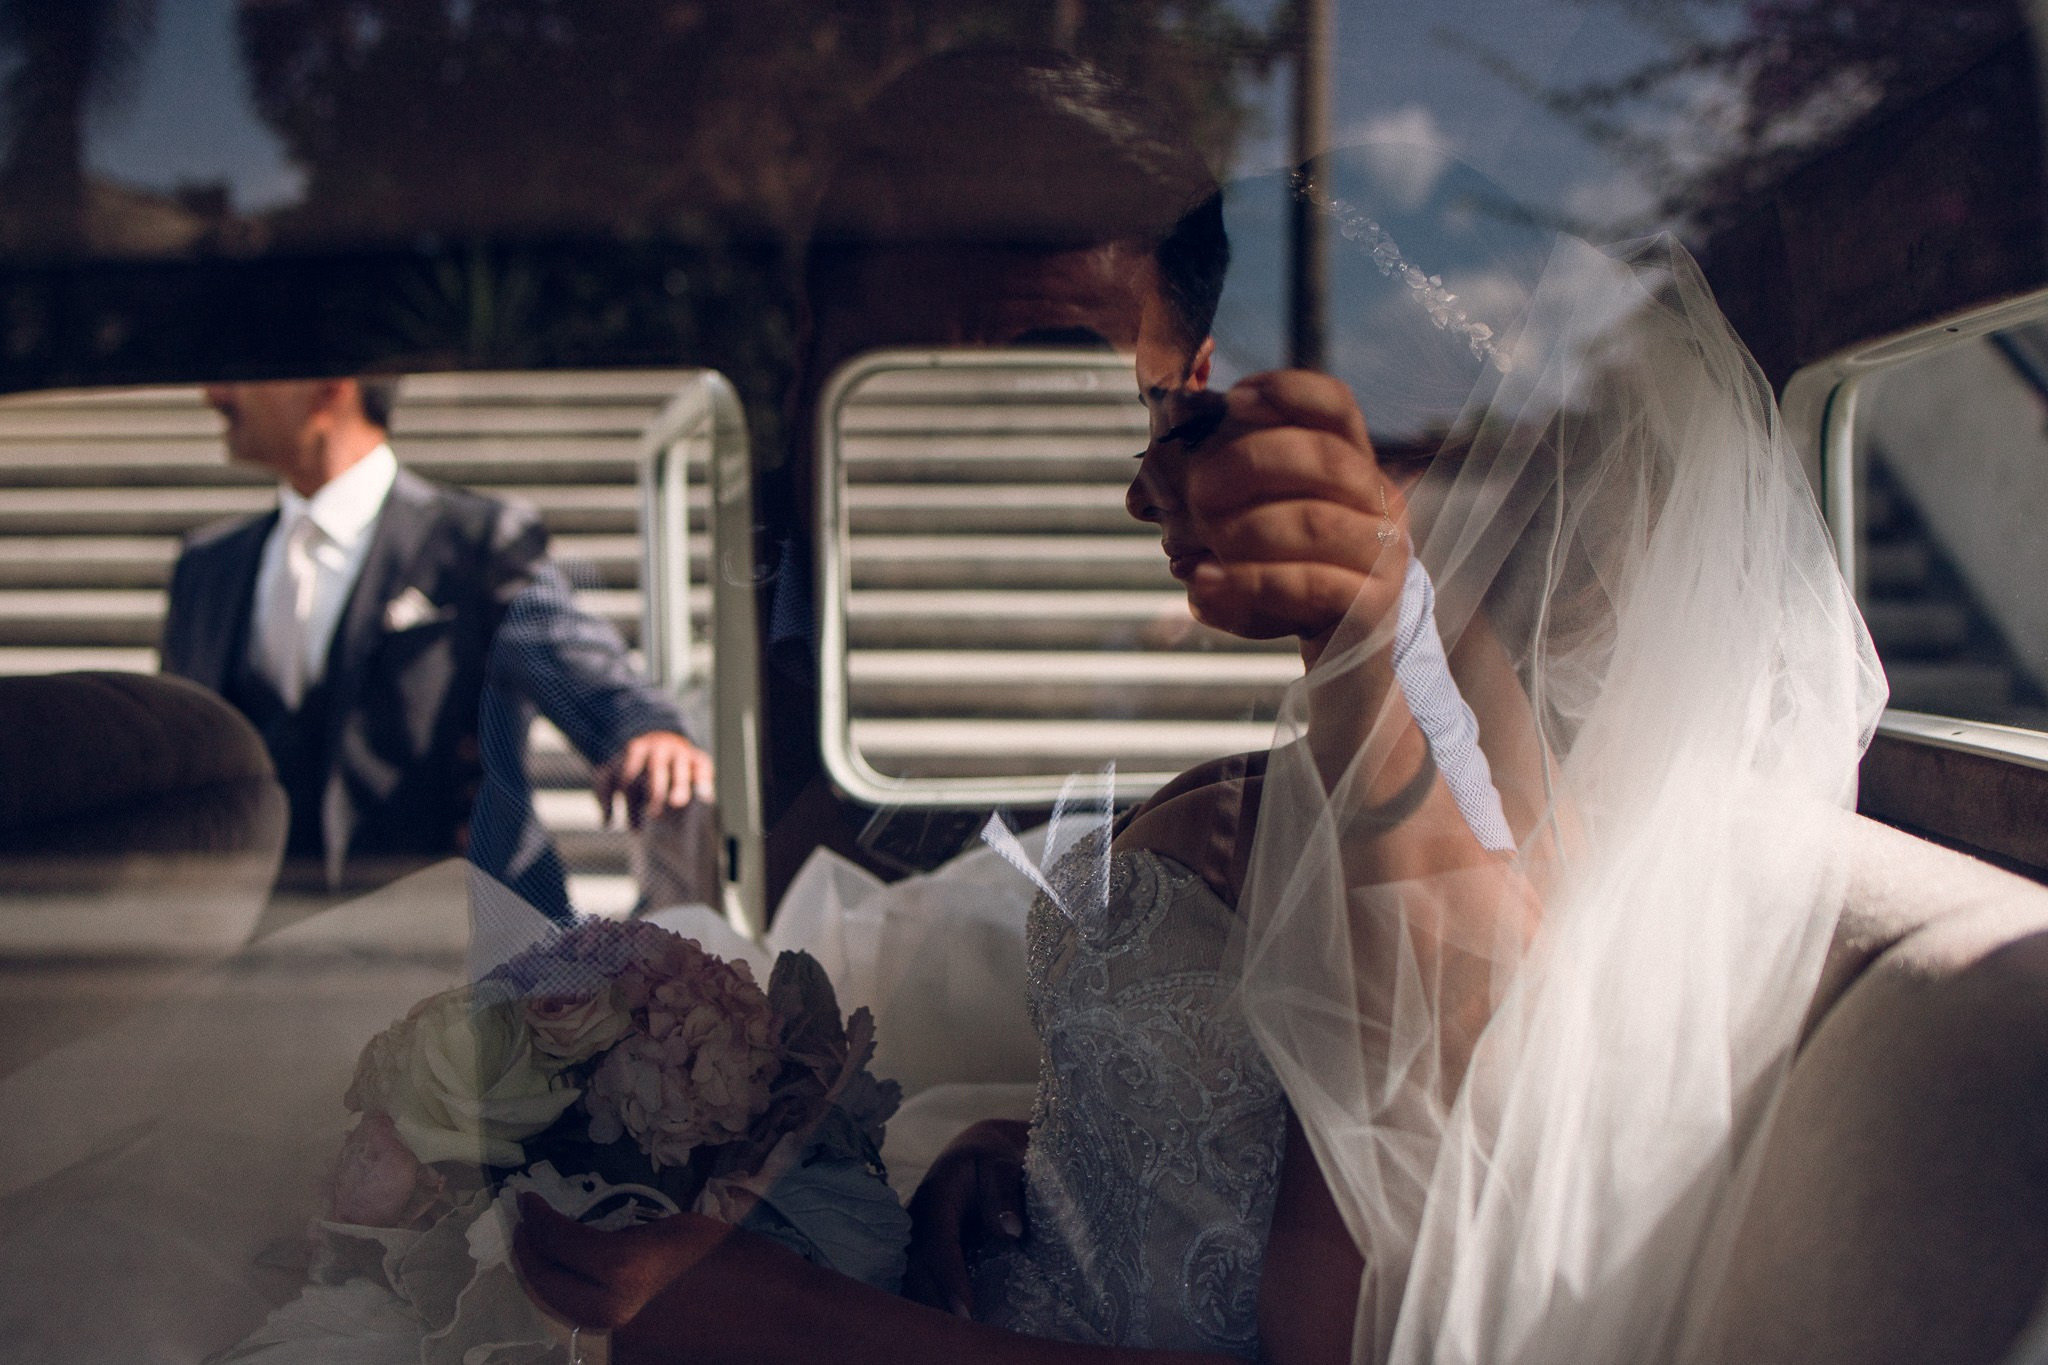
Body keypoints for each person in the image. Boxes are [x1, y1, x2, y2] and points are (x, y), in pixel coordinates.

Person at [512, 47, 1883, 1365]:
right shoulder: (1370, 749)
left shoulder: (1453, 839)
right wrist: (1026, 1151)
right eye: (1163, 416)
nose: (1140, 484)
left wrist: (779, 1323)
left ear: (1404, 458)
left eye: (1207, 423)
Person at [159, 376, 712, 907]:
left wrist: (644, 727)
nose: (214, 395)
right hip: (263, 953)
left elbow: (567, 648)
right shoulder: (207, 567)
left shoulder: (475, 541)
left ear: (330, 386)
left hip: (459, 949)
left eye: (246, 374)